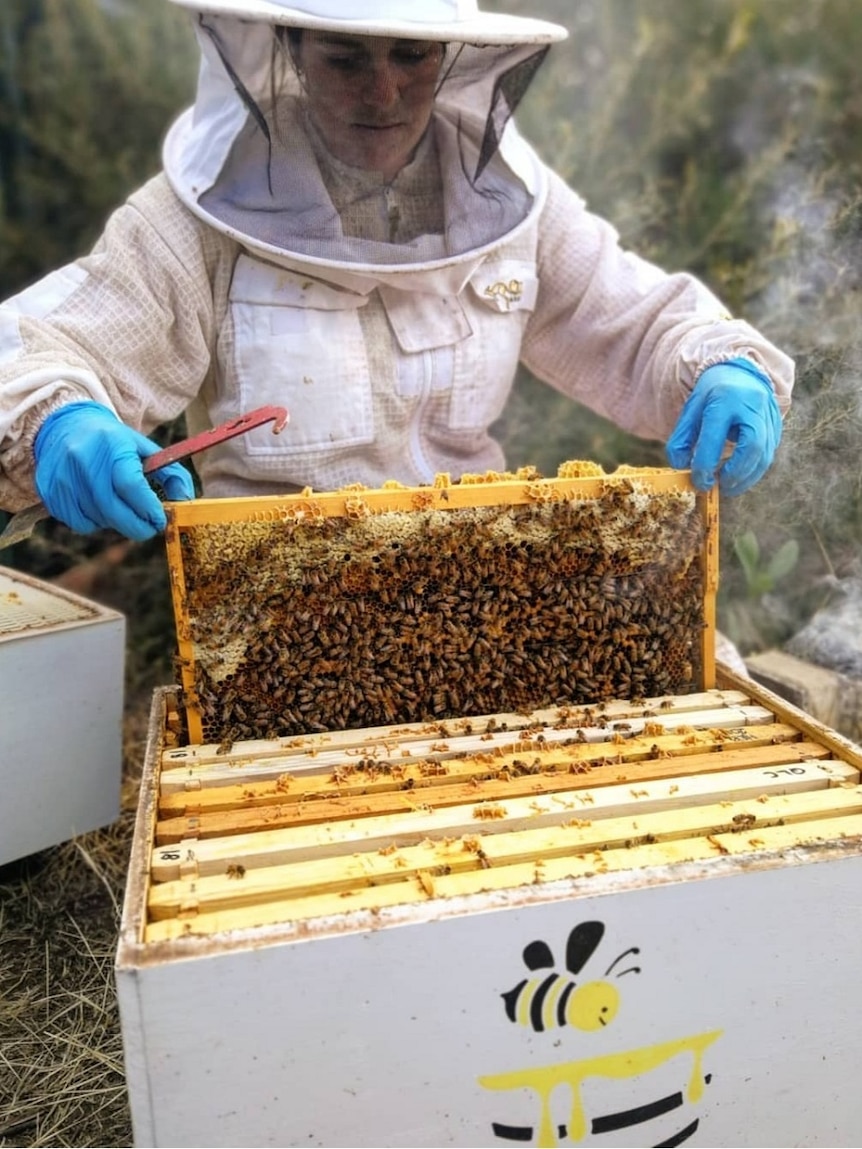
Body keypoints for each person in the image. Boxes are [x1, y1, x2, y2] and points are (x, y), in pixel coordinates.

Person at [0, 0, 793, 543]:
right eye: (346, 58)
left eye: (411, 56)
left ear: (450, 58)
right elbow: (42, 347)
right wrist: (57, 425)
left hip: (482, 580)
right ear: (293, 53)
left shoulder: (506, 202)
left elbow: (635, 321)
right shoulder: (200, 217)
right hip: (272, 608)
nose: (383, 91)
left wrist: (721, 369)